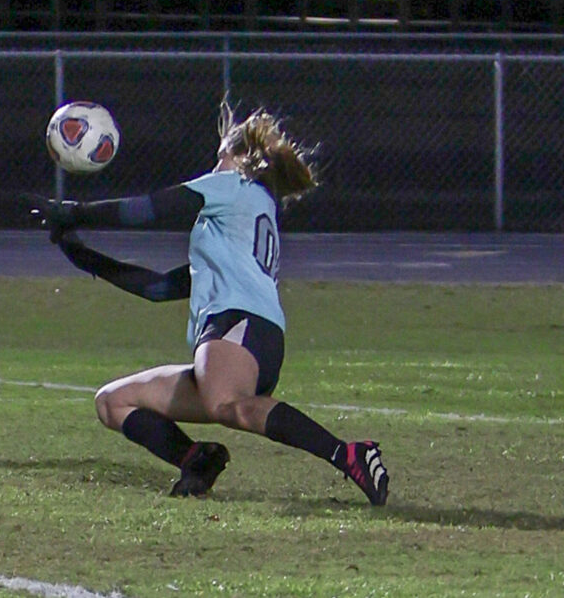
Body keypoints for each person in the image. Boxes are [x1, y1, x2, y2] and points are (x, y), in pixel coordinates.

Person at [28, 100, 389, 505]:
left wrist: (73, 213)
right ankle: (196, 459)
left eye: (220, 156)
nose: (215, 165)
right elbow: (159, 288)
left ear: (237, 156)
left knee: (225, 404)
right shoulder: (240, 218)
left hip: (237, 326)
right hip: (246, 338)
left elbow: (149, 209)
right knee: (114, 402)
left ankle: (348, 453)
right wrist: (80, 254)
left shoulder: (233, 186)